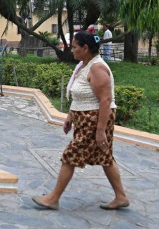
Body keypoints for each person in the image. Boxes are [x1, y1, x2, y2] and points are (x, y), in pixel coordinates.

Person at [32, 31, 129, 211]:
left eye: (75, 46)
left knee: (70, 156)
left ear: (85, 48)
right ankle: (121, 196)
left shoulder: (97, 68)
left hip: (94, 121)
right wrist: (70, 116)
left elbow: (106, 100)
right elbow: (81, 96)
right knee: (105, 156)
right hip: (86, 119)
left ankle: (53, 199)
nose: (71, 49)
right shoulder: (85, 65)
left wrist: (100, 131)